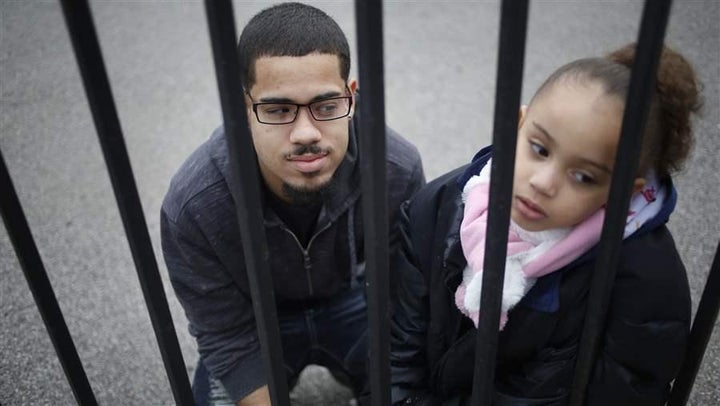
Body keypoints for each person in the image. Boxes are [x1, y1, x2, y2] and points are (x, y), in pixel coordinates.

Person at [390, 42, 702, 405]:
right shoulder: (441, 204)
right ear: (519, 125)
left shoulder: (646, 282)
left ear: (621, 192)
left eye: (584, 176)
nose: (543, 182)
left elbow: (626, 391)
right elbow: (397, 347)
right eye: (539, 149)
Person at [161, 3, 425, 405]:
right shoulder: (195, 204)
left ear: (351, 98)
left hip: (357, 301)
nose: (305, 133)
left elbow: (402, 298)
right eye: (279, 110)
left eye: (326, 106)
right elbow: (226, 334)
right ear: (243, 108)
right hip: (256, 321)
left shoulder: (394, 168)